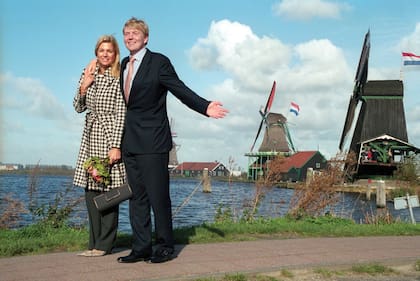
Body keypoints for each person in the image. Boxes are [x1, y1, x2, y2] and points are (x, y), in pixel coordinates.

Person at [117, 17, 229, 264]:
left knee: (158, 197)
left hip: (154, 141)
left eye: (134, 33)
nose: (129, 37)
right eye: (126, 33)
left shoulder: (159, 62)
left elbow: (179, 89)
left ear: (146, 37)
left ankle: (165, 246)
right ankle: (141, 247)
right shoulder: (124, 63)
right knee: (137, 198)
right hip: (131, 142)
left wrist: (204, 106)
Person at [73, 35, 126, 257]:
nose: (105, 54)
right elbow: (77, 107)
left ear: (115, 55)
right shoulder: (88, 74)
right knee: (91, 192)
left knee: (108, 192)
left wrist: (115, 145)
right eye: (101, 50)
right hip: (90, 134)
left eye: (109, 51)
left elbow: (122, 112)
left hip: (108, 135)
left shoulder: (119, 77)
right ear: (96, 52)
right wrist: (84, 87)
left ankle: (105, 244)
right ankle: (93, 243)